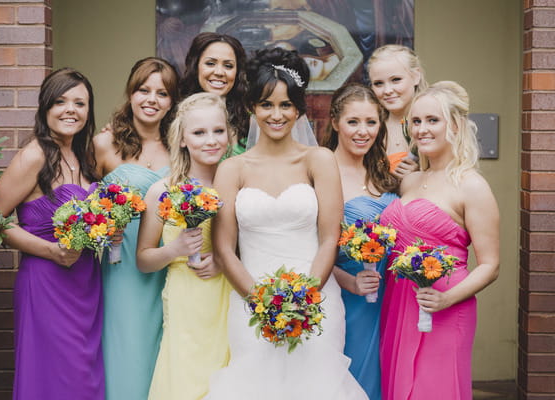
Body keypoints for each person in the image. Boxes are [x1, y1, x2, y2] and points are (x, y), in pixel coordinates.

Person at [204, 47, 369, 400]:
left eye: (285, 105)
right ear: (252, 107)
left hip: (316, 299)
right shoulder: (232, 168)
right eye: (266, 104)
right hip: (250, 301)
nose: (276, 115)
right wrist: (262, 303)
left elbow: (329, 238)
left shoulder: (319, 160)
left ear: (298, 109)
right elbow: (223, 247)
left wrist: (304, 298)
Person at [379, 81, 500, 399]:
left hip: (446, 306)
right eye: (416, 122)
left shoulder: (471, 185)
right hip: (399, 303)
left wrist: (448, 299)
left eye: (433, 120)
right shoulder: (409, 180)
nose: (422, 130)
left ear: (456, 125)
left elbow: (490, 265)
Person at [0, 68, 104, 399]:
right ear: (45, 107)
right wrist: (50, 251)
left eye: (80, 103)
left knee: (84, 375)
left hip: (86, 284)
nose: (71, 110)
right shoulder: (34, 155)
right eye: (61, 101)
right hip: (46, 282)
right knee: (55, 376)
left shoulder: (84, 156)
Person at [92, 57, 179, 400]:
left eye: (162, 93)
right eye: (144, 90)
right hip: (121, 264)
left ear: (172, 102)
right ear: (130, 93)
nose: (151, 99)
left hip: (170, 263)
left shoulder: (180, 146)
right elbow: (80, 205)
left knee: (165, 354)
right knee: (126, 349)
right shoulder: (104, 144)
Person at [136, 92, 232, 400]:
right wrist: (174, 249)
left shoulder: (237, 186)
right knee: (185, 376)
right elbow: (143, 259)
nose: (211, 140)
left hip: (228, 295)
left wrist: (223, 258)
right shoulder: (161, 191)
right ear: (182, 139)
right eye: (199, 133)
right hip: (185, 298)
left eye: (218, 131)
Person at [323, 83, 399, 400]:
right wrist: (350, 281)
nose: (362, 131)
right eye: (353, 122)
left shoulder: (386, 173)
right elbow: (310, 247)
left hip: (392, 295)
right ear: (335, 122)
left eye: (371, 122)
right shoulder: (322, 171)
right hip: (347, 296)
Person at [180, 32, 249, 155]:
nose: (219, 72)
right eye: (210, 63)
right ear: (196, 66)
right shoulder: (178, 116)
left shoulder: (250, 118)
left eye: (228, 66)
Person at [367, 44, 428, 179]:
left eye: (396, 80)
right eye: (378, 83)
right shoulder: (371, 130)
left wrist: (420, 175)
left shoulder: (434, 126)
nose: (387, 90)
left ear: (416, 76)